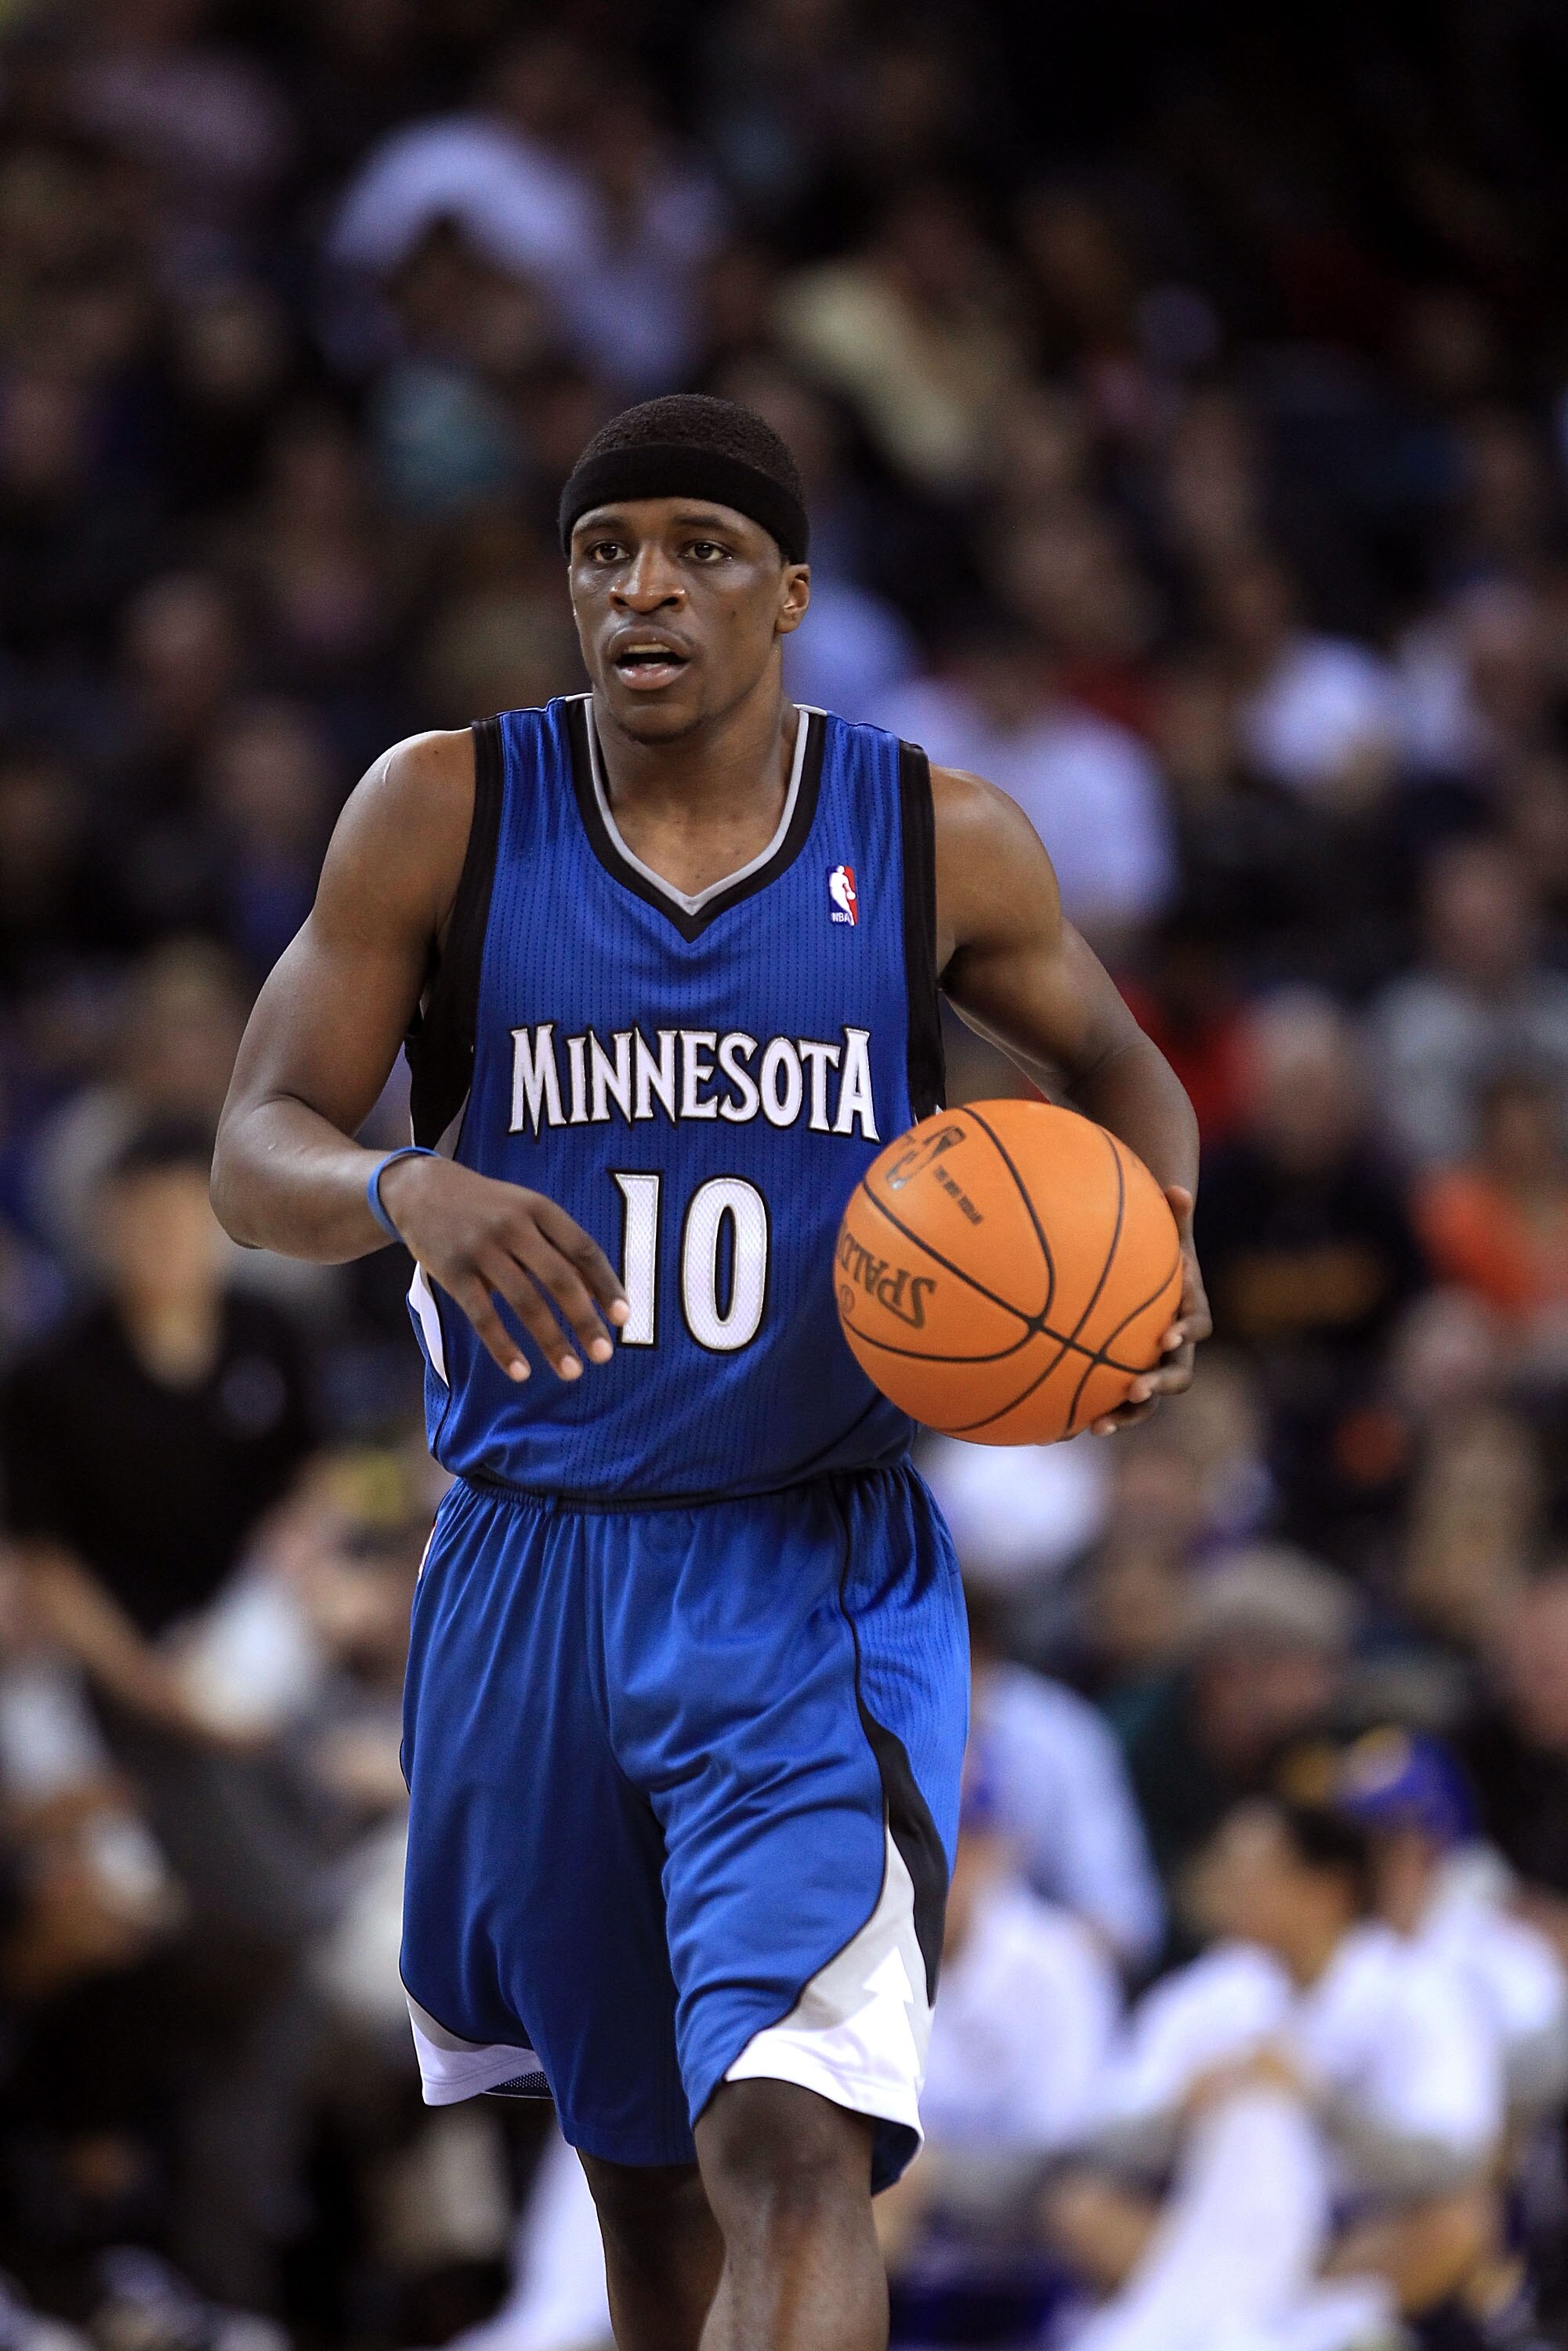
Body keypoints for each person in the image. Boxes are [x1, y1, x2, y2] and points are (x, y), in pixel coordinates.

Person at [209, 392, 1209, 2351]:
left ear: (791, 598)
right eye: (602, 553)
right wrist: (405, 1184)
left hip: (804, 1568)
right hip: (528, 1562)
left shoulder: (930, 833)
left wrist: (1148, 1262)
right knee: (648, 2194)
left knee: (794, 2131)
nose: (642, 588)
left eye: (696, 550)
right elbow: (257, 1143)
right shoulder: (443, 807)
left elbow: (1123, 1074)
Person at [1047, 1799, 1502, 2349]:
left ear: (1327, 1890)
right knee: (1079, 2205)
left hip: (1350, 2234)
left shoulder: (1412, 1990)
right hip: (1210, 2232)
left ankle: (1292, 2323)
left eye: (1254, 1874)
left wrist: (1322, 2104)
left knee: (1459, 2220)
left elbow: (1451, 2159)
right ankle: (1278, 2323)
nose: (1228, 1888)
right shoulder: (1209, 1990)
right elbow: (1092, 2137)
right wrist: (1179, 2111)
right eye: (1226, 1869)